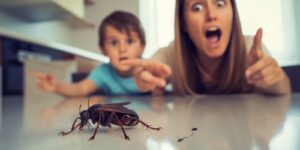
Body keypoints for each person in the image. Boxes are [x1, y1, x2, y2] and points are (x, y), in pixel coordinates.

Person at [122, 0, 291, 95]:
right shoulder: (172, 55)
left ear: (233, 12)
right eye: (197, 7)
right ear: (183, 23)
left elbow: (284, 90)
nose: (211, 15)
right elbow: (155, 64)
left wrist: (275, 79)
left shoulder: (251, 49)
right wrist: (147, 78)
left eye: (220, 3)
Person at [33, 10, 147, 96]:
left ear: (142, 47)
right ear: (103, 49)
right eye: (114, 42)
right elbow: (81, 89)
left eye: (130, 41)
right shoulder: (103, 72)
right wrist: (57, 87)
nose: (122, 49)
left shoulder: (149, 69)